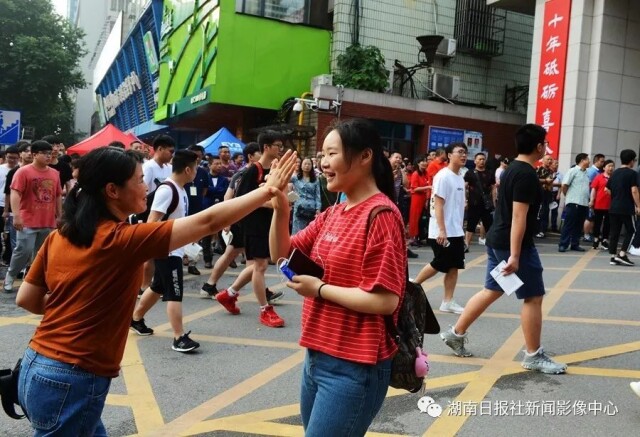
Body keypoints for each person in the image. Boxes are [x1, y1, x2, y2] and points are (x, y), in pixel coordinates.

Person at [14, 146, 296, 436]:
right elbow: (209, 221)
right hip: (72, 378)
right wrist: (267, 191)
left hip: (37, 365)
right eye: (139, 181)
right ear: (112, 190)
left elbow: (28, 298)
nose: (146, 188)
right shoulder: (121, 240)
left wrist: (77, 308)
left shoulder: (60, 236)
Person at [269, 118, 405, 436]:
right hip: (316, 357)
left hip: (354, 366)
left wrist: (320, 290)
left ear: (365, 156)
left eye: (331, 154)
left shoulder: (381, 216)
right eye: (321, 156)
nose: (323, 163)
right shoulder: (333, 213)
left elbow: (386, 300)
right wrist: (280, 210)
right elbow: (282, 254)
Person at [440, 123, 567, 375]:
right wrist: (516, 255)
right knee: (532, 296)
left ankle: (456, 334)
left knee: (492, 289)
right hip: (512, 244)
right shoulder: (526, 174)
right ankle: (533, 355)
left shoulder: (510, 170)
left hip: (498, 239)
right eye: (545, 144)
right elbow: (519, 217)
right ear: (539, 146)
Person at [131, 150, 202, 351]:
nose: (196, 171)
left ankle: (136, 319)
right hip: (167, 250)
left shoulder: (180, 189)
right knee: (175, 292)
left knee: (159, 286)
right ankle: (179, 337)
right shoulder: (167, 190)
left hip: (175, 248)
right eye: (196, 168)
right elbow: (152, 222)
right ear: (188, 169)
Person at [215, 133, 287, 327]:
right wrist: (270, 202)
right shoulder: (251, 171)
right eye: (277, 145)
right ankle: (265, 310)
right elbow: (242, 199)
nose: (280, 149)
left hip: (267, 224)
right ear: (266, 147)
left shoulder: (274, 170)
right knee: (261, 266)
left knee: (256, 266)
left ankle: (229, 294)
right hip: (253, 224)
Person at [412, 143, 468, 314]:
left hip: (456, 230)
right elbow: (438, 205)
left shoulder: (459, 176)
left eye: (465, 153)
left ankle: (448, 301)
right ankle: (412, 288)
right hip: (442, 231)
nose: (463, 155)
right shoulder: (443, 176)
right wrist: (442, 230)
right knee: (440, 263)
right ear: (449, 155)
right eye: (460, 152)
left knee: (455, 265)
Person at [4, 141, 62, 292]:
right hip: (27, 219)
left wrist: (59, 216)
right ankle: (10, 276)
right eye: (45, 153)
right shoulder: (23, 172)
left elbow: (57, 196)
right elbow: (15, 193)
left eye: (50, 153)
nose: (48, 156)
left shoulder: (55, 173)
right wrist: (16, 216)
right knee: (23, 249)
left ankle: (33, 280)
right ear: (35, 154)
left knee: (41, 254)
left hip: (47, 220)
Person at [606, 149, 640, 266]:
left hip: (614, 207)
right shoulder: (632, 173)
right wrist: (638, 206)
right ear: (631, 161)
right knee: (632, 230)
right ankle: (622, 254)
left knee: (614, 232)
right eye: (634, 160)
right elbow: (634, 190)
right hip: (626, 208)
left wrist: (616, 196)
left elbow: (607, 189)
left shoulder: (614, 173)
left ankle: (613, 257)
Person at [559, 153, 590, 252]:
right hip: (573, 202)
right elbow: (564, 185)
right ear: (582, 160)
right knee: (569, 224)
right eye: (587, 159)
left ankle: (575, 244)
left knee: (578, 225)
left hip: (583, 203)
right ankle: (563, 244)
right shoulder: (573, 171)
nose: (589, 161)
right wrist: (568, 196)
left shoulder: (586, 173)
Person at [464, 152, 496, 250]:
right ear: (475, 161)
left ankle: (492, 246)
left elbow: (493, 188)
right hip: (474, 203)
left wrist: (494, 202)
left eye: (483, 159)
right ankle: (466, 246)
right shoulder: (470, 173)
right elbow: (465, 187)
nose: (481, 161)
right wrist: (465, 200)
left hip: (486, 204)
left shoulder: (489, 173)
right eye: (479, 159)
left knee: (489, 226)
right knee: (471, 225)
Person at [291, 157, 321, 234]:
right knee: (297, 232)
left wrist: (318, 209)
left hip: (311, 210)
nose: (307, 166)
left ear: (312, 166)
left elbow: (317, 196)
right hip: (299, 209)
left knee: (309, 232)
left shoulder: (315, 180)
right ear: (301, 165)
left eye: (309, 164)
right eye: (305, 164)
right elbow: (284, 180)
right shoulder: (296, 178)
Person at [589, 159, 614, 250]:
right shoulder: (599, 177)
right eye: (609, 166)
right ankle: (596, 239)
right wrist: (592, 200)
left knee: (608, 223)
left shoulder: (614, 177)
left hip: (611, 204)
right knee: (597, 222)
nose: (611, 168)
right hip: (599, 203)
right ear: (604, 167)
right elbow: (593, 189)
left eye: (612, 166)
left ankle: (604, 240)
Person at [408, 155, 429, 246]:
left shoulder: (425, 173)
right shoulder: (415, 174)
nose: (424, 163)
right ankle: (413, 238)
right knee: (415, 218)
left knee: (421, 218)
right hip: (416, 198)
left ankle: (419, 236)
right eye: (422, 161)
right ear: (418, 163)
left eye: (425, 161)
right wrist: (427, 187)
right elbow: (414, 188)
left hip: (423, 197)